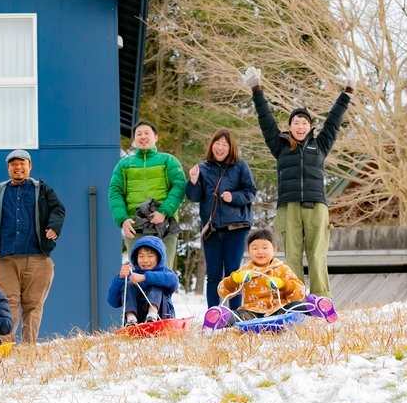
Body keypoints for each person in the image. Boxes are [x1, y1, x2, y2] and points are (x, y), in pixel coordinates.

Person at [242, 67, 355, 298]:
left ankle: (321, 298)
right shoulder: (280, 146)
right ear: (290, 126)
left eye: (304, 122)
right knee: (292, 255)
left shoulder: (320, 145)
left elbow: (334, 120)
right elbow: (266, 121)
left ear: (310, 127)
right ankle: (294, 297)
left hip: (316, 205)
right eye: (296, 122)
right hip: (289, 206)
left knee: (316, 254)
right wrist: (256, 89)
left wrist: (348, 92)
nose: (300, 126)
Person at [0, 149, 66, 345]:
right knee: (8, 304)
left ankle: (28, 348)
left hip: (38, 258)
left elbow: (58, 209)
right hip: (7, 260)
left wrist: (54, 227)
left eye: (22, 163)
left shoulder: (43, 190)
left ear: (29, 166)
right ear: (8, 168)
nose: (18, 167)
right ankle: (6, 348)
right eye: (13, 164)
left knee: (33, 305)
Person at [185, 128, 257, 311]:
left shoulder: (240, 166)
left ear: (230, 147)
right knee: (213, 275)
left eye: (225, 144)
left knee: (233, 273)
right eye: (217, 143)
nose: (220, 147)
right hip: (212, 231)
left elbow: (251, 192)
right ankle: (213, 315)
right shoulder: (202, 168)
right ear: (212, 146)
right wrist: (193, 181)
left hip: (236, 228)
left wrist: (234, 197)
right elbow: (194, 197)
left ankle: (234, 315)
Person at [108, 120, 187, 268]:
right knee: (138, 275)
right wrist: (123, 220)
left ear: (155, 137)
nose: (143, 136)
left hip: (165, 226)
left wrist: (164, 211)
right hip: (135, 227)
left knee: (164, 274)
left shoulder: (168, 160)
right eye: (139, 134)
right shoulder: (123, 165)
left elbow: (179, 186)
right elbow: (115, 193)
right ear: (134, 139)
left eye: (147, 133)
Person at [210, 228, 307, 328]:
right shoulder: (245, 271)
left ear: (274, 250)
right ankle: (218, 318)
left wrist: (284, 285)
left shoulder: (282, 269)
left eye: (265, 248)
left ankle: (316, 309)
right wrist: (234, 280)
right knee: (236, 316)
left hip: (280, 312)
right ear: (248, 251)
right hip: (251, 313)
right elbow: (221, 291)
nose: (260, 252)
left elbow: (300, 293)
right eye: (255, 248)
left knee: (297, 306)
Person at [106, 236, 179, 327]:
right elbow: (113, 302)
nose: (145, 260)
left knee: (155, 282)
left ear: (159, 257)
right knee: (129, 285)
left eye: (150, 256)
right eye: (141, 256)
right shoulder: (132, 276)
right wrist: (120, 278)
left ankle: (152, 316)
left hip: (162, 317)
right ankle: (131, 320)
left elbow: (174, 281)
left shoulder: (164, 272)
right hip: (139, 318)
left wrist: (145, 277)